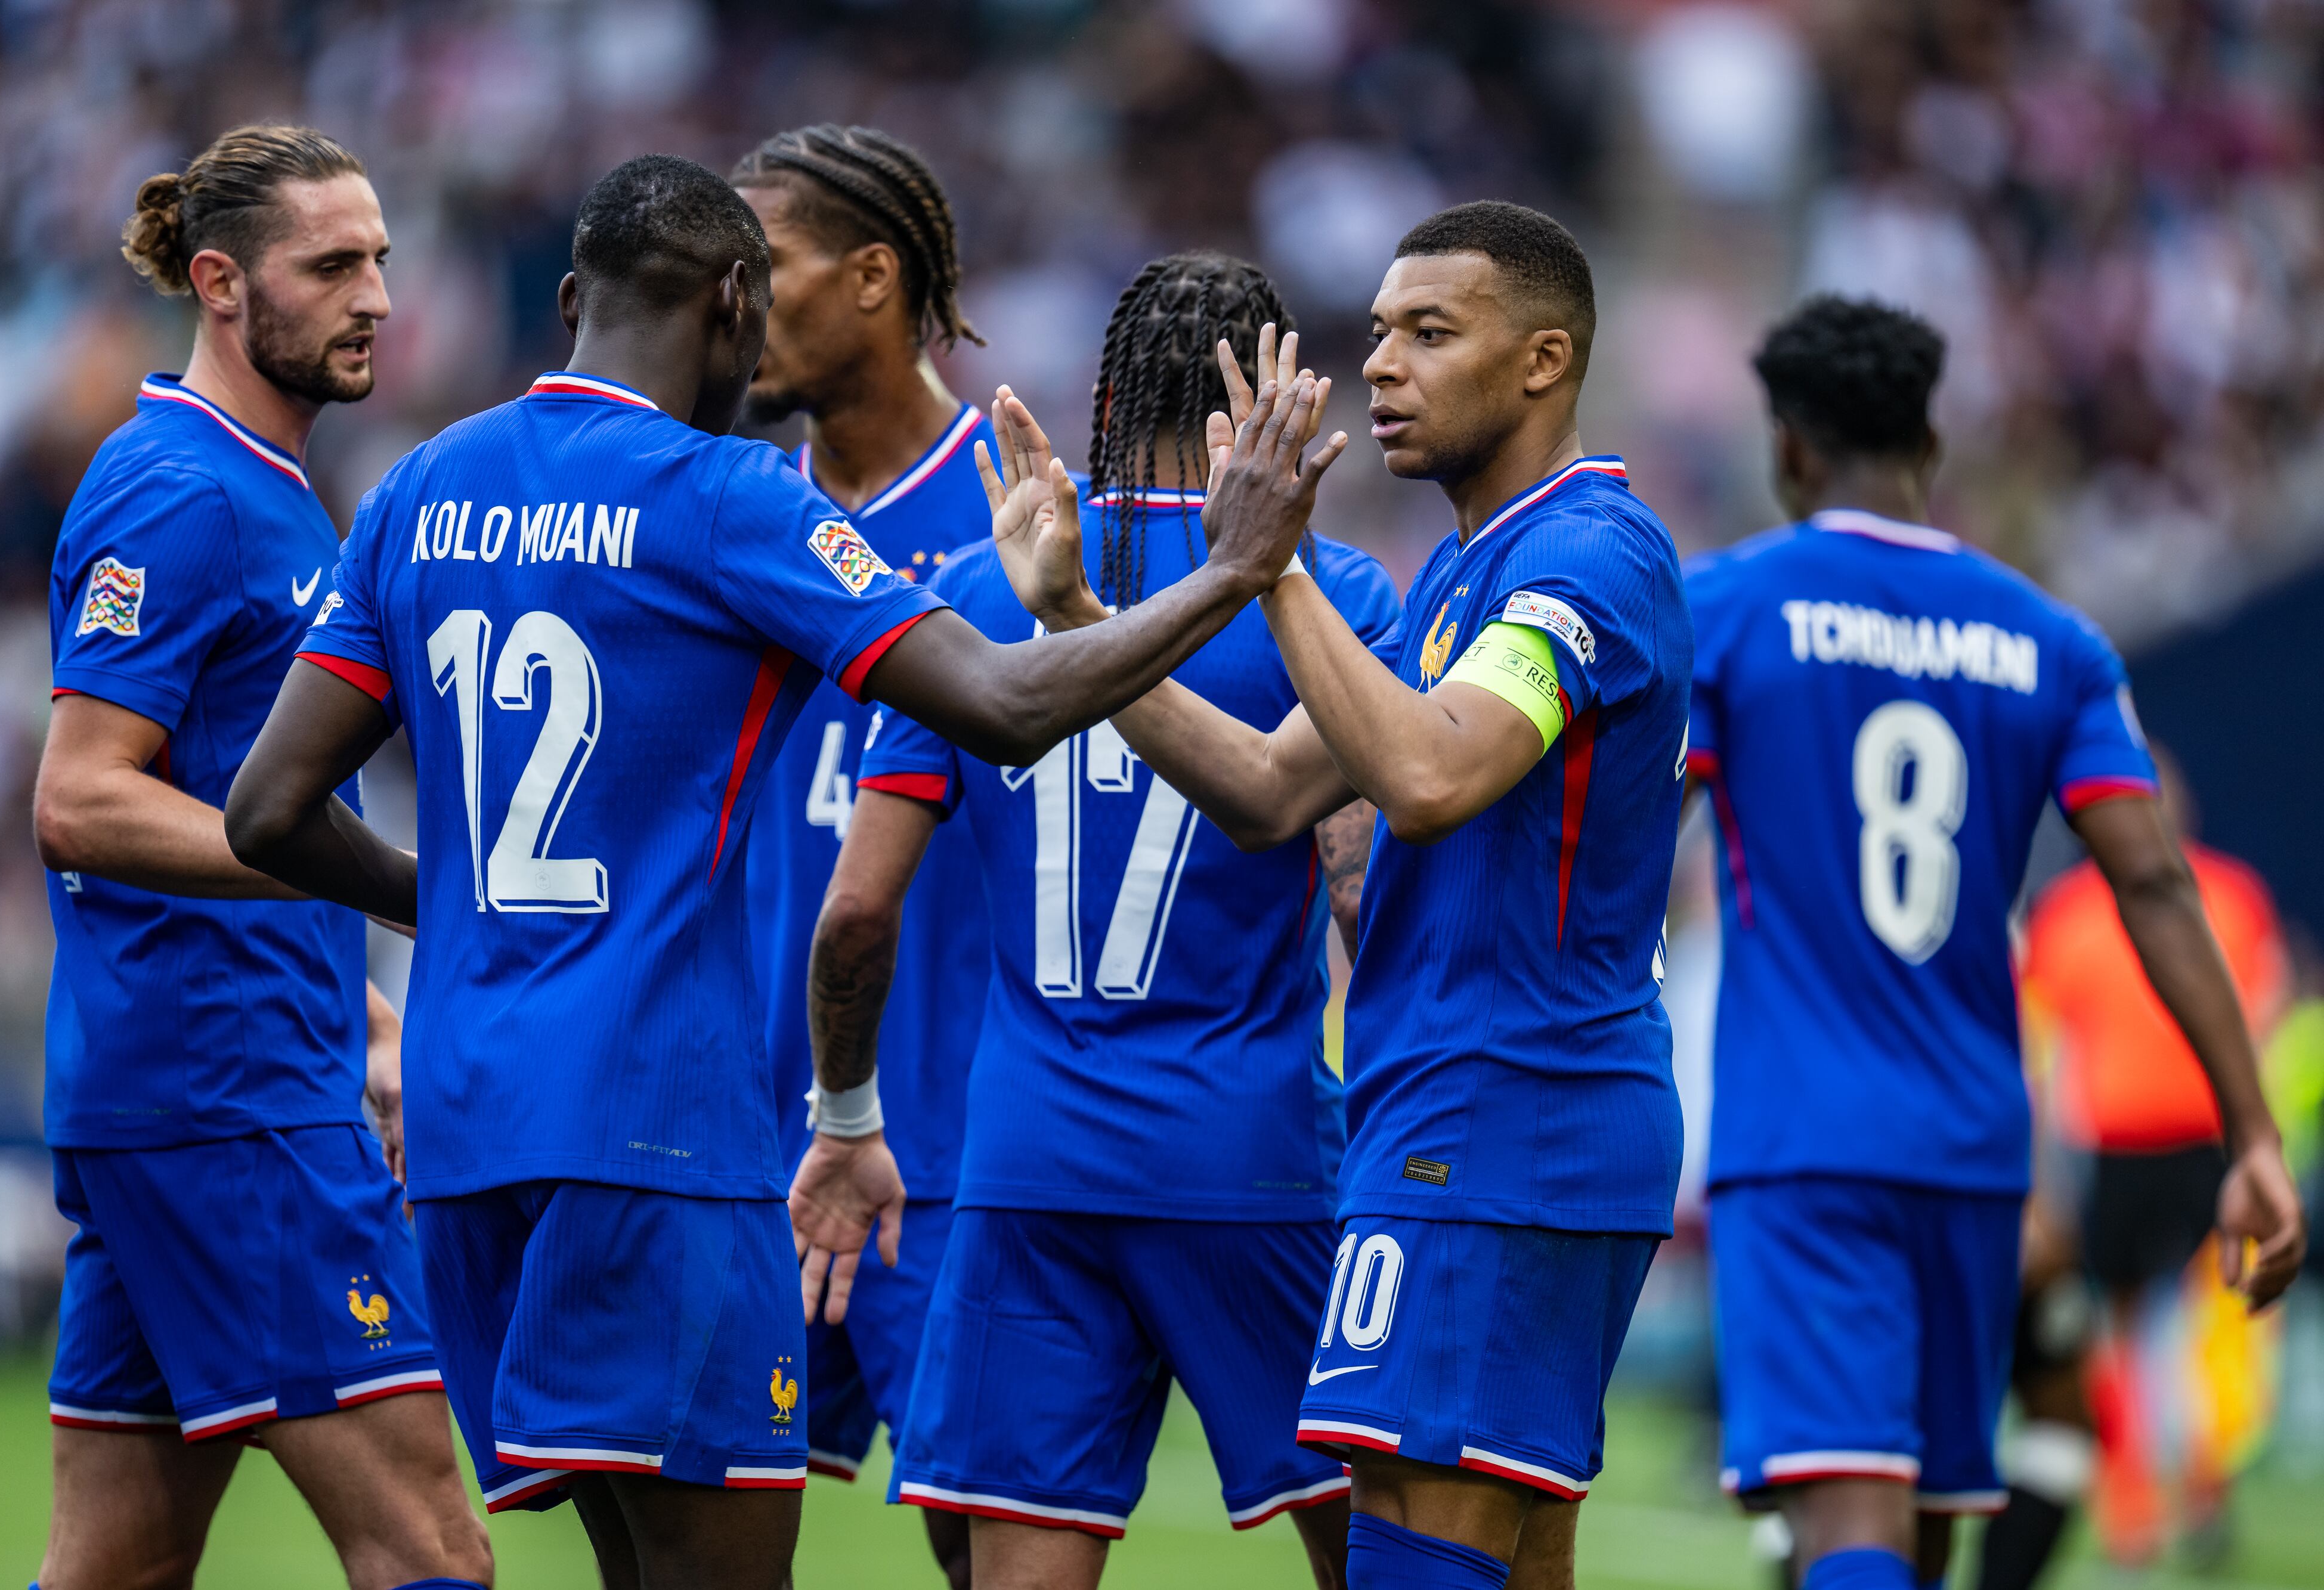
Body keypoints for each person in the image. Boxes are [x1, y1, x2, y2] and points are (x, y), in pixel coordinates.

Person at [219, 154, 1341, 1590]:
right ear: (736, 299)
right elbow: (999, 704)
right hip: (656, 1134)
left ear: (573, 301)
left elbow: (264, 812)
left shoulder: (419, 488)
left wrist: (451, 915)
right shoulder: (727, 494)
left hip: (461, 1131)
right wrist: (1225, 574)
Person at [879, 200, 1691, 1589]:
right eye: (1375, 332)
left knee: (1413, 1560)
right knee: (1503, 1551)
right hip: (1458, 1115)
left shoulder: (1586, 561)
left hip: (1500, 1120)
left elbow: (1431, 779)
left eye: (1430, 334)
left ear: (1544, 359)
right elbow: (1263, 791)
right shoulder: (1458, 571)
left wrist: (1263, 574)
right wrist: (1079, 618)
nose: (1381, 364)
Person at [1679, 295, 2305, 1590]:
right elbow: (2156, 886)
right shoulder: (2049, 640)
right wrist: (2251, 1134)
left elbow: (1623, 849)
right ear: (1928, 443)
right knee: (1936, 1509)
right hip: (1975, 1145)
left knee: (1845, 1513)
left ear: (1789, 447)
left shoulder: (1726, 609)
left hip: (1804, 1135)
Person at [799, 253, 1390, 1590]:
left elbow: (856, 911)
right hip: (1255, 1153)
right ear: (1275, 403)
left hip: (1027, 1160)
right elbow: (1359, 897)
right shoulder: (1335, 593)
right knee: (1386, 1552)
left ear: (1109, 392)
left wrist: (843, 1115)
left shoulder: (963, 586)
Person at [27, 125, 490, 1590]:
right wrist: (369, 884)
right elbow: (84, 801)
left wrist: (364, 1019)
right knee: (431, 1551)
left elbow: (217, 807)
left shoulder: (274, 490)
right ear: (222, 284)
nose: (374, 296)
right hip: (224, 1102)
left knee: (120, 1562)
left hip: (204, 1078)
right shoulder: (181, 490)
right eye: (334, 264)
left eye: (382, 262)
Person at [726, 125, 995, 1587]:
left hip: (938, 1151)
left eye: (761, 268)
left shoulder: (1015, 526)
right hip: (740, 1139)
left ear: (875, 276)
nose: (729, 302)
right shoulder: (725, 512)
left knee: (982, 1547)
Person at [1985, 747, 2291, 1582]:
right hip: (2145, 1147)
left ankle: (2166, 1498)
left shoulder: (2152, 906)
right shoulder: (2197, 902)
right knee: (2163, 1326)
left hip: (2167, 1147)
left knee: (2146, 1329)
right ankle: (2169, 1497)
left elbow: (2035, 1050)